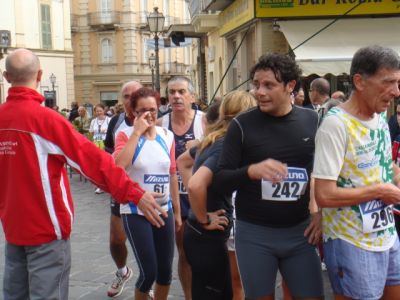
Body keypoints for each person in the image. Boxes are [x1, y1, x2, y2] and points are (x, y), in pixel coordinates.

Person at [0, 48, 167, 300]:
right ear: (40, 75)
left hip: (12, 227)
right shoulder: (46, 120)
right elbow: (92, 162)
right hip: (47, 229)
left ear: (6, 77)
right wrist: (135, 193)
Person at [214, 53, 324, 300]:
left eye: (268, 85)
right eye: (256, 84)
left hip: (300, 231)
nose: (259, 92)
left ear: (290, 86)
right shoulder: (241, 125)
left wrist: (319, 212)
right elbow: (219, 179)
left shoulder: (312, 120)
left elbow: (321, 172)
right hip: (255, 233)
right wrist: (251, 171)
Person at [313, 45, 400, 300]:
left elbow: (384, 166)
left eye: (398, 82)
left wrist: (395, 177)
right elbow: (324, 195)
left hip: (386, 235)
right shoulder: (335, 125)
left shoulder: (380, 117)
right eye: (389, 83)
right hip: (351, 242)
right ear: (360, 82)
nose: (396, 92)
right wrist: (380, 191)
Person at [183, 90, 256, 300]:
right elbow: (196, 184)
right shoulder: (224, 144)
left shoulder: (214, 139)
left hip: (200, 235)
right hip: (208, 236)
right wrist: (204, 217)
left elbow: (183, 163)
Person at [114, 87, 181, 300]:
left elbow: (172, 174)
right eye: (143, 110)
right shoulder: (124, 134)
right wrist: (136, 132)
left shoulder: (167, 135)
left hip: (164, 209)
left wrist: (177, 212)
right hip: (136, 211)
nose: (149, 114)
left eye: (153, 109)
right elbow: (118, 167)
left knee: (165, 272)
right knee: (148, 272)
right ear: (133, 112)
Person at [157, 76, 204, 300]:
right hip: (175, 199)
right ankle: (189, 296)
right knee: (184, 253)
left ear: (192, 97)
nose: (176, 96)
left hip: (202, 196)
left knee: (208, 252)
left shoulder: (204, 123)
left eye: (181, 92)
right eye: (172, 92)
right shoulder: (160, 124)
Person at [104, 80, 143, 298]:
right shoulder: (117, 122)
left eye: (134, 94)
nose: (130, 100)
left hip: (148, 189)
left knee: (148, 242)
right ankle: (123, 271)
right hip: (122, 189)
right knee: (116, 241)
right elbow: (109, 152)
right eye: (126, 96)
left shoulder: (156, 119)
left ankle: (148, 283)